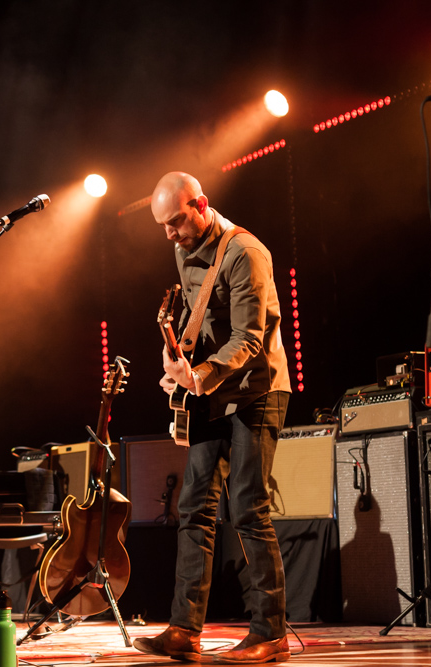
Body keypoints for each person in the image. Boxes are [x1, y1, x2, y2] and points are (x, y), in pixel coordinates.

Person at [132, 172, 291, 664]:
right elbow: (198, 317)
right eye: (162, 226)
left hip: (257, 391)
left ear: (201, 204)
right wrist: (177, 363)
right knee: (193, 508)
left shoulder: (246, 253)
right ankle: (183, 630)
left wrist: (198, 375)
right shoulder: (183, 247)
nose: (169, 235)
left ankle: (271, 633)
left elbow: (248, 337)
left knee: (247, 508)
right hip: (212, 392)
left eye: (176, 221)